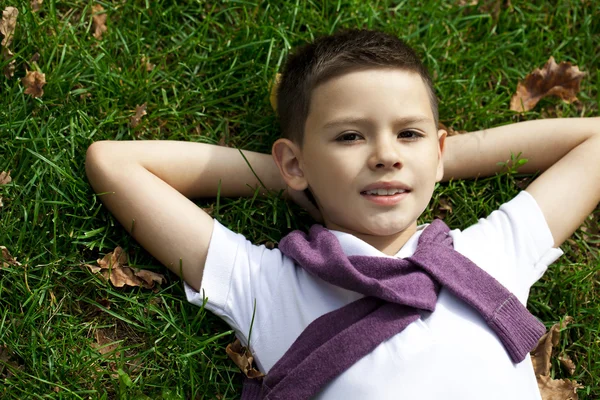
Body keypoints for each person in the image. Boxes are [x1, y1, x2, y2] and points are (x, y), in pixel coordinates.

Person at [85, 29, 600, 399]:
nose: (385, 154)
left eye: (410, 134)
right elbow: (114, 163)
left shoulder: (488, 256)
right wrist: (298, 178)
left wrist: (435, 162)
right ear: (293, 160)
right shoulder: (269, 285)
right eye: (350, 136)